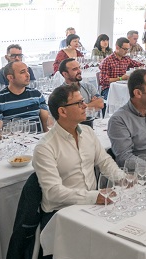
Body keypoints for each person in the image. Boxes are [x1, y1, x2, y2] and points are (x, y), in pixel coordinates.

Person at [33, 84, 127, 212]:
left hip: (92, 205)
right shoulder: (45, 147)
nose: (85, 106)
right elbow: (53, 192)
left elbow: (104, 162)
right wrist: (94, 196)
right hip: (62, 211)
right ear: (62, 111)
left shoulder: (87, 132)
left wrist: (123, 179)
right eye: (79, 103)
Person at [0, 61, 51, 131]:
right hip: (11, 140)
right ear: (10, 77)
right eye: (22, 72)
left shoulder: (37, 95)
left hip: (37, 140)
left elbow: (46, 125)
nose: (28, 75)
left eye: (27, 71)